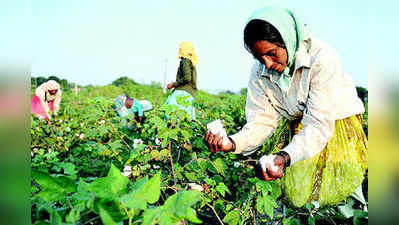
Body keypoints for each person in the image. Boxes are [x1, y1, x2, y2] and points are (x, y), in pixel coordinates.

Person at [205, 6, 368, 208]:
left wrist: (284, 156)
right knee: (303, 195)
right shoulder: (260, 71)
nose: (267, 63)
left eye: (272, 53)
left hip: (337, 124)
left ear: (287, 41)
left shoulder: (321, 58)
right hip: (302, 128)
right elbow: (261, 121)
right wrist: (231, 142)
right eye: (259, 57)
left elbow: (318, 125)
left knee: (344, 189)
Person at [165, 41, 198, 120]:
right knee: (187, 117)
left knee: (169, 111)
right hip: (190, 93)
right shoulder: (191, 62)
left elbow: (187, 78)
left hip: (183, 91)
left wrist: (173, 84)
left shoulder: (185, 61)